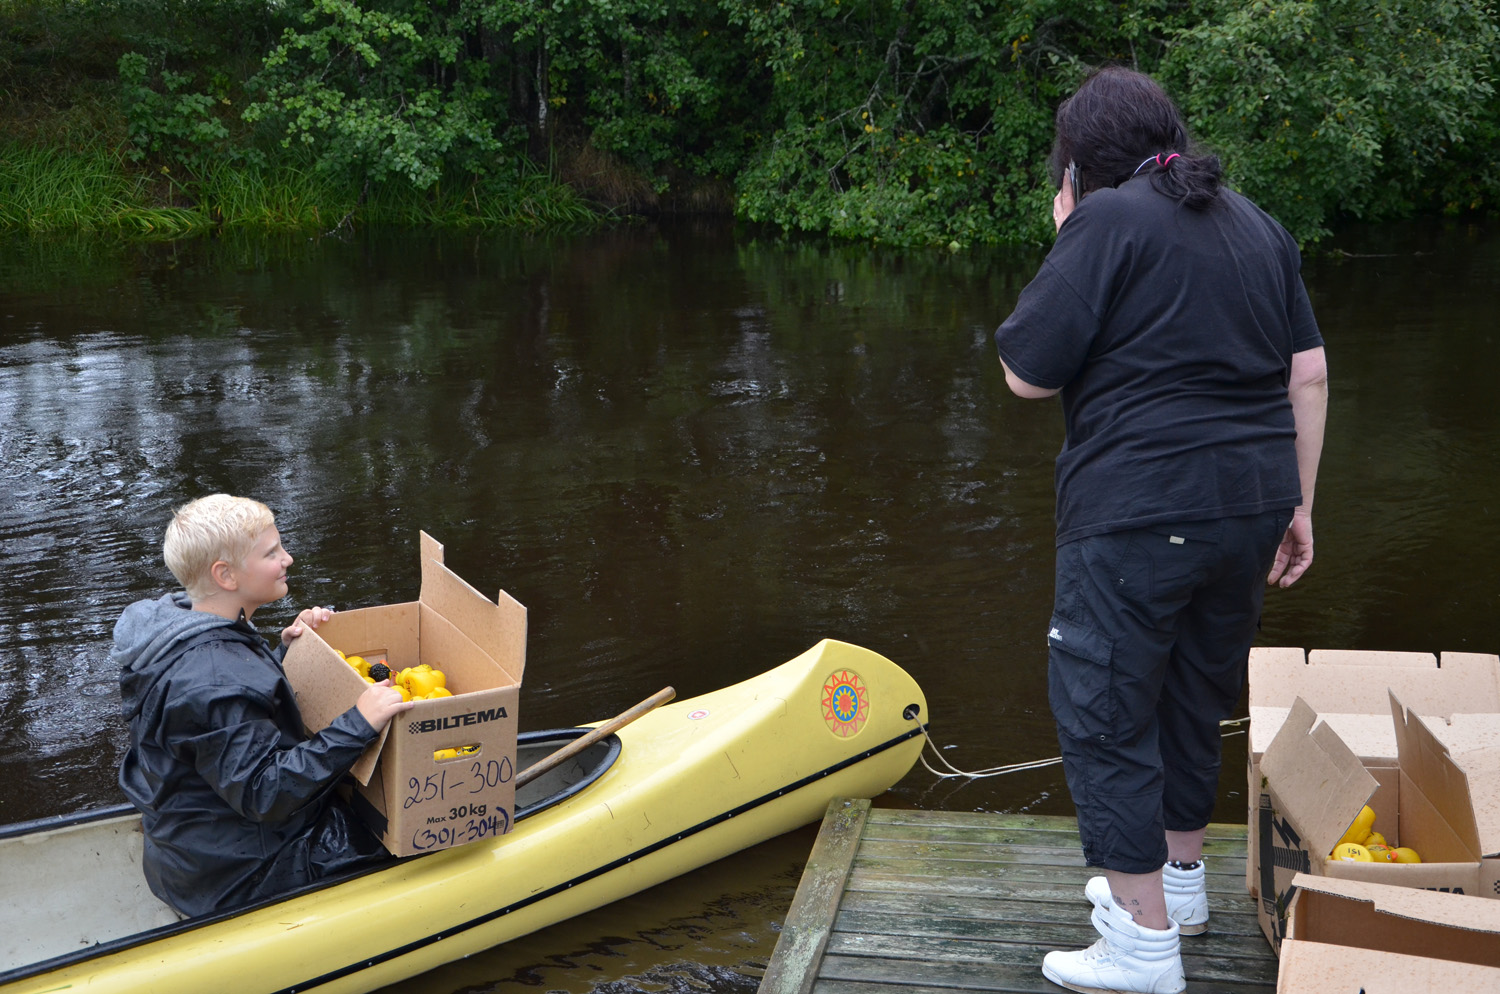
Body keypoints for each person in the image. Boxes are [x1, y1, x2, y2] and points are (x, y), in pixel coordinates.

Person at [993, 67, 1327, 994]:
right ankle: (1180, 887)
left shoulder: (1102, 221)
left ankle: (1142, 946)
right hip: (1251, 504)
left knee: (1103, 705)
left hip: (1143, 508)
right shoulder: (1258, 225)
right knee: (1192, 689)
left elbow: (1027, 372)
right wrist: (1296, 505)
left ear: (1079, 166)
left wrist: (1067, 236)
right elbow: (1308, 375)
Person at [115, 494, 414, 917]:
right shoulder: (215, 678)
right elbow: (263, 792)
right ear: (226, 575)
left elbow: (225, 712)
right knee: (405, 836)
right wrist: (359, 723)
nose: (287, 558)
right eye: (272, 553)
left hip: (195, 852)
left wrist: (284, 653)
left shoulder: (183, 626)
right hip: (237, 875)